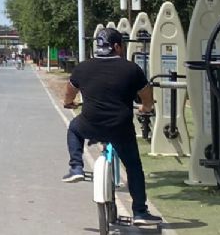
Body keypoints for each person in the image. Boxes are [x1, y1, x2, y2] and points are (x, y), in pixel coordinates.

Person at [61, 28, 162, 226]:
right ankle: (140, 212)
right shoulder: (131, 69)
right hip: (120, 128)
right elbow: (146, 94)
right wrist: (145, 107)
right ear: (117, 46)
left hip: (90, 123)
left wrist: (68, 103)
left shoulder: (83, 68)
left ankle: (76, 167)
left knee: (74, 127)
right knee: (133, 167)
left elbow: (69, 91)